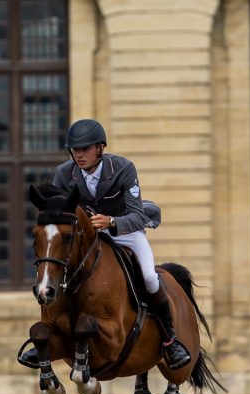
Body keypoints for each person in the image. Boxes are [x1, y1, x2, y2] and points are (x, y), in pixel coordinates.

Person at [19, 119, 192, 370]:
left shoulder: (123, 168)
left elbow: (138, 216)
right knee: (60, 271)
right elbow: (58, 213)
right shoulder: (64, 173)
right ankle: (49, 335)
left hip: (123, 231)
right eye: (75, 150)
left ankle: (170, 340)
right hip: (83, 236)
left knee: (149, 276)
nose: (79, 155)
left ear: (100, 148)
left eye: (85, 149)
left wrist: (111, 221)